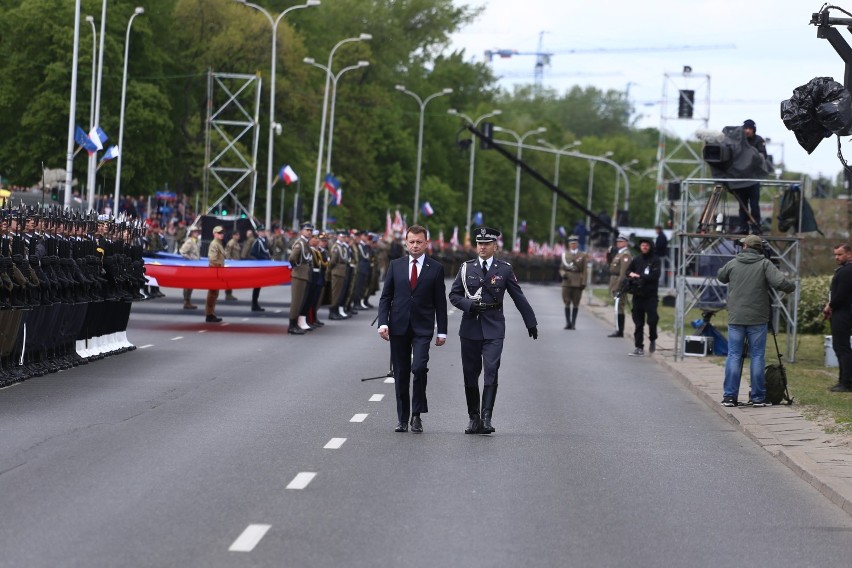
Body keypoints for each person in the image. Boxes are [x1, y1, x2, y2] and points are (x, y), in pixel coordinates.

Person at [449, 227, 538, 435]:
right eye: (480, 243)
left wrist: (530, 322)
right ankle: (474, 418)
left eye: (487, 244)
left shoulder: (504, 269)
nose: (482, 247)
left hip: (494, 326)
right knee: (470, 374)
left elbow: (518, 296)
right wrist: (469, 305)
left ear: (495, 246)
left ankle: (486, 418)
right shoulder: (466, 268)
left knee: (491, 370)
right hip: (470, 326)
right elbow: (454, 295)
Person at [377, 225, 448, 433]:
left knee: (418, 367)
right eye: (411, 242)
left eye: (419, 242)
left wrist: (442, 330)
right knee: (401, 373)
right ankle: (402, 418)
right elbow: (386, 297)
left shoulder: (435, 268)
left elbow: (440, 302)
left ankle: (417, 415)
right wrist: (383, 323)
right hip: (398, 326)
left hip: (423, 327)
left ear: (426, 243)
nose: (415, 245)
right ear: (406, 243)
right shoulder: (395, 265)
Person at [717, 235, 796, 407]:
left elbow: (721, 277)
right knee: (758, 356)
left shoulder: (733, 262)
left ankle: (729, 396)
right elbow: (779, 282)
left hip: (736, 317)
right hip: (758, 318)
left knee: (734, 356)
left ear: (745, 246)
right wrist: (791, 287)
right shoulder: (765, 264)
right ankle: (758, 397)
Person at [625, 237, 661, 356]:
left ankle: (653, 338)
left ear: (650, 246)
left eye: (646, 245)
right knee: (638, 323)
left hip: (650, 296)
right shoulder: (637, 259)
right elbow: (628, 270)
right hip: (638, 295)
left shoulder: (655, 260)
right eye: (642, 245)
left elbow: (655, 276)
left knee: (652, 320)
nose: (644, 247)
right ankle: (639, 347)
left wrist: (639, 276)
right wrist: (631, 274)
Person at [823, 243, 852, 392]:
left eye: (839, 254)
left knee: (842, 347)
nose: (836, 257)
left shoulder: (847, 271)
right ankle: (843, 380)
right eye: (835, 254)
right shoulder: (844, 270)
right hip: (840, 311)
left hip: (843, 312)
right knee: (839, 347)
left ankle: (846, 382)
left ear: (849, 254)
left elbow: (841, 294)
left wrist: (830, 306)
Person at [734, 119, 767, 235]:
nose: (747, 131)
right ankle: (743, 227)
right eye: (746, 129)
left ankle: (756, 227)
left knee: (754, 205)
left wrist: (752, 156)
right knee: (742, 204)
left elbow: (763, 156)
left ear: (753, 130)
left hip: (753, 178)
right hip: (741, 178)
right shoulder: (739, 140)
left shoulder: (758, 140)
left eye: (750, 129)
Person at [288, 222, 314, 335]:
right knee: (296, 302)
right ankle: (292, 325)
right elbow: (292, 257)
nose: (309, 232)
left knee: (300, 302)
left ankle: (295, 324)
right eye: (307, 230)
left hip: (303, 275)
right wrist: (296, 267)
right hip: (299, 275)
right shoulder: (300, 243)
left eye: (310, 230)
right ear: (302, 231)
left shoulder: (305, 243)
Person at [559, 235, 587, 330]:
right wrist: (563, 274)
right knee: (566, 302)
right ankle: (568, 323)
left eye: (574, 243)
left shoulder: (582, 255)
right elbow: (561, 268)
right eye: (571, 244)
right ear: (569, 244)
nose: (573, 245)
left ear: (577, 244)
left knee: (576, 302)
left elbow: (585, 270)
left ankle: (574, 323)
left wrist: (584, 282)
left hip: (577, 280)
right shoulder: (565, 255)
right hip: (567, 281)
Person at [607, 234, 632, 338]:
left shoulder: (625, 255)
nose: (618, 243)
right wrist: (609, 255)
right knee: (617, 307)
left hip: (619, 282)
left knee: (619, 307)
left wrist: (618, 286)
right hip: (614, 280)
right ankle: (618, 328)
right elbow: (611, 267)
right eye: (618, 241)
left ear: (626, 242)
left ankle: (619, 330)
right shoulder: (619, 254)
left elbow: (623, 273)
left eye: (621, 241)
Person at [205, 226, 227, 323]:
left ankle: (211, 313)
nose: (221, 234)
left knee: (215, 294)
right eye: (219, 233)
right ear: (214, 234)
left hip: (218, 271)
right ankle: (209, 314)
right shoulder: (214, 244)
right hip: (215, 271)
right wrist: (219, 269)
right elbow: (213, 259)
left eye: (222, 233)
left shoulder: (219, 244)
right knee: (212, 294)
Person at [248, 225, 271, 312]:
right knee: (257, 286)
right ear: (257, 232)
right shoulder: (257, 242)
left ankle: (255, 303)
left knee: (258, 286)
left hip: (263, 266)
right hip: (259, 266)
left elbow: (268, 252)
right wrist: (262, 258)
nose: (263, 232)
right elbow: (253, 253)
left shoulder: (264, 241)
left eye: (263, 230)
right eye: (261, 231)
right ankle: (254, 304)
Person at [178, 226, 201, 310]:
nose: (197, 233)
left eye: (197, 232)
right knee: (187, 284)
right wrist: (189, 258)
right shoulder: (190, 241)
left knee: (191, 284)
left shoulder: (196, 241)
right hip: (189, 266)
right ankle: (186, 301)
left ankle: (188, 301)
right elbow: (182, 251)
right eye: (195, 232)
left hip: (194, 266)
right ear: (191, 233)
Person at [223, 230, 241, 301]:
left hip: (235, 264)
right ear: (234, 235)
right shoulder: (231, 243)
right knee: (229, 280)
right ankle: (228, 294)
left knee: (231, 280)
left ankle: (229, 294)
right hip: (231, 264)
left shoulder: (236, 243)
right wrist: (229, 261)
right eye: (237, 235)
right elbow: (227, 252)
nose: (238, 236)